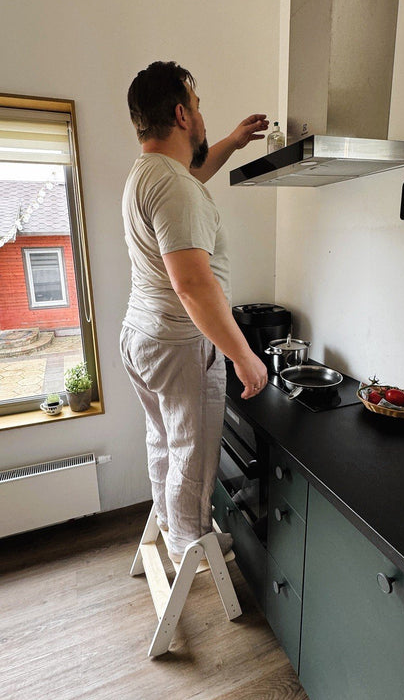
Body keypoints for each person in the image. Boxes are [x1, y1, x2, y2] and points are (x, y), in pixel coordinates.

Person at [120, 60, 269, 565]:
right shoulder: (175, 187)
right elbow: (193, 285)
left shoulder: (150, 174)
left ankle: (169, 520)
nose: (202, 116)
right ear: (183, 115)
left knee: (163, 441)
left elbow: (194, 176)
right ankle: (190, 546)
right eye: (199, 107)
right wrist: (244, 357)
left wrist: (230, 140)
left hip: (142, 333)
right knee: (194, 453)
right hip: (179, 343)